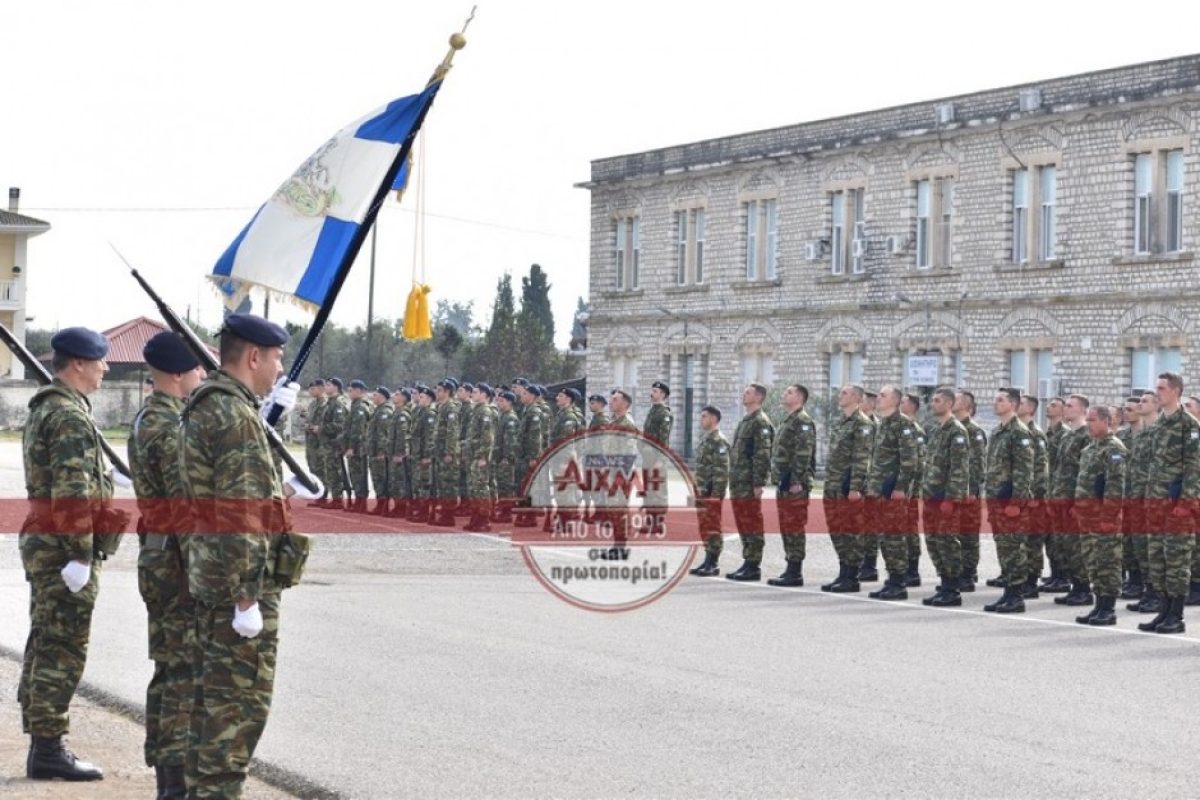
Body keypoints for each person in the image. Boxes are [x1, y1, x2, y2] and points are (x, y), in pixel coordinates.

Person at [178, 313, 309, 798]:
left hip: (215, 576)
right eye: (276, 359)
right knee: (234, 716)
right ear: (254, 356)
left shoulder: (211, 405)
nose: (279, 369)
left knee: (212, 708)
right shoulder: (233, 415)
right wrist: (247, 597)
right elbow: (241, 516)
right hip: (237, 588)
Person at [19, 326, 126, 782]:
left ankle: (43, 740)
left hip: (47, 546)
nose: (106, 367)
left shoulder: (55, 407)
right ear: (78, 364)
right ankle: (47, 749)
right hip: (64, 552)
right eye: (100, 360)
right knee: (61, 649)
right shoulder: (67, 416)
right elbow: (71, 493)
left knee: (47, 641)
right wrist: (81, 555)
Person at [128, 331, 207, 798]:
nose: (202, 376)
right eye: (198, 369)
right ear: (178, 374)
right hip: (175, 561)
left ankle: (169, 777)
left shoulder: (153, 417)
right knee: (182, 672)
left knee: (170, 668)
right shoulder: (169, 425)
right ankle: (174, 783)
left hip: (159, 554)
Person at [1137, 371, 1200, 634]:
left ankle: (1176, 615)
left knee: (1176, 561)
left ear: (1175, 391)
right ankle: (1163, 611)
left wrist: (1183, 504)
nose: (1157, 392)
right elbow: (1151, 465)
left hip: (1177, 507)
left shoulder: (1189, 425)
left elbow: (1194, 469)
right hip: (1156, 505)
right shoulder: (1159, 425)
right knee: (1157, 560)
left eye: (1162, 388)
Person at [1073, 406, 1128, 626]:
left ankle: (1108, 608)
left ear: (1106, 421)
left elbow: (1115, 488)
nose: (1088, 424)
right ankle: (1098, 605)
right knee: (1092, 562)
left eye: (1092, 420)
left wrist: (1108, 517)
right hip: (1087, 517)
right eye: (1087, 420)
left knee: (1107, 562)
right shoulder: (1089, 449)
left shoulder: (1114, 448)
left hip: (1104, 518)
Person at [981, 388, 1034, 614]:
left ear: (1012, 404)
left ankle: (1016, 596)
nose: (996, 403)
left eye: (1000, 400)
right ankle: (1008, 594)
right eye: (995, 399)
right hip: (996, 500)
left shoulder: (1019, 432)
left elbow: (1024, 471)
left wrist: (1016, 502)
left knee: (1014, 549)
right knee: (1004, 548)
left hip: (1010, 501)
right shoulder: (997, 432)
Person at [865, 385, 919, 600]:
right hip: (879, 491)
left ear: (895, 401)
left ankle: (899, 583)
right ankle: (891, 580)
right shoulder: (883, 424)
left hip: (893, 492)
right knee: (885, 538)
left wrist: (900, 488)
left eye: (883, 395)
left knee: (895, 538)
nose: (878, 398)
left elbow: (909, 461)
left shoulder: (902, 424)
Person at [920, 386, 970, 607]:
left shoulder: (956, 431)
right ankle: (945, 584)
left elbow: (959, 469)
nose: (933, 404)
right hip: (932, 496)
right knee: (934, 543)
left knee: (947, 542)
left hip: (945, 498)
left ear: (950, 404)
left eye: (938, 400)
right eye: (933, 400)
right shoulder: (937, 430)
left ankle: (952, 590)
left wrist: (951, 499)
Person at [821, 384, 873, 592]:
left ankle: (851, 577)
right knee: (837, 530)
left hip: (846, 487)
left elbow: (862, 458)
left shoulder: (862, 423)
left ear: (857, 398)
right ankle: (843, 572)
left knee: (851, 531)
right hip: (833, 486)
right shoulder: (841, 422)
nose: (839, 396)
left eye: (844, 393)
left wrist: (855, 487)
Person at [767, 384, 816, 587]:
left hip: (794, 484)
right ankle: (790, 568)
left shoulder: (803, 421)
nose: (784, 394)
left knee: (794, 526)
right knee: (787, 526)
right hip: (784, 482)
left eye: (789, 392)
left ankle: (795, 571)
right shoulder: (789, 420)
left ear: (799, 398)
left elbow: (803, 454)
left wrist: (797, 480)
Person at [726, 383, 774, 582]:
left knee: (752, 520)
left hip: (748, 481)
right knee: (742, 520)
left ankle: (753, 564)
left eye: (748, 392)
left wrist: (758, 483)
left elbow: (762, 455)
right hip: (738, 480)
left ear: (758, 397)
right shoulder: (746, 420)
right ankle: (747, 561)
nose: (744, 394)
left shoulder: (760, 422)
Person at [1050, 395, 1092, 606]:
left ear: (1083, 410)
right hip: (1060, 499)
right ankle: (1075, 585)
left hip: (1075, 501)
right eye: (1065, 405)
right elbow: (1059, 469)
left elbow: (1087, 471)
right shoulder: (1067, 436)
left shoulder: (1087, 435)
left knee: (1077, 547)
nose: (1065, 409)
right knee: (1064, 545)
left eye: (1070, 406)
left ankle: (1084, 589)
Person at [689, 405, 730, 577]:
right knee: (704, 525)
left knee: (713, 525)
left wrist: (716, 494)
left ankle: (713, 562)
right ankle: (707, 558)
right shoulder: (706, 439)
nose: (701, 419)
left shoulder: (719, 440)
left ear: (714, 418)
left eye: (704, 416)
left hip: (711, 492)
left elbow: (721, 470)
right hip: (702, 491)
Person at [953, 391, 987, 591]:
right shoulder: (952, 429)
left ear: (967, 406)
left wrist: (972, 489)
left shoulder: (973, 431)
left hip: (968, 492)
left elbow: (977, 463)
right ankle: (959, 571)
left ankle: (968, 573)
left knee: (968, 534)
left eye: (957, 399)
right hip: (954, 490)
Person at [464, 383, 498, 531]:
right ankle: (475, 517)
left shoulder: (485, 411)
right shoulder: (476, 410)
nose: (473, 394)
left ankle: (484, 519)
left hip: (480, 456)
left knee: (481, 487)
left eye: (476, 392)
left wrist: (483, 456)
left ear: (484, 394)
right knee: (473, 488)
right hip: (473, 455)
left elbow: (487, 437)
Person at [319, 378, 350, 509]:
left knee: (334, 471)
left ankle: (338, 499)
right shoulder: (329, 403)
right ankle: (335, 497)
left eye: (329, 385)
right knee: (330, 471)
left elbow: (339, 425)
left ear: (336, 387)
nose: (326, 387)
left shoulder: (338, 404)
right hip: (327, 443)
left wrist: (322, 429)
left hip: (334, 443)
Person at [344, 379, 372, 513]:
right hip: (355, 447)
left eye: (351, 390)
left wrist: (352, 447)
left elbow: (358, 430)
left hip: (358, 448)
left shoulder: (360, 407)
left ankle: (361, 502)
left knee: (359, 474)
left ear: (359, 391)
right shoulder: (355, 406)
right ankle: (358, 500)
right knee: (354, 474)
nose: (349, 392)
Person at [366, 386, 394, 515]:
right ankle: (380, 504)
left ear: (382, 396)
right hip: (373, 451)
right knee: (377, 479)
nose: (373, 397)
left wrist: (382, 451)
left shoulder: (384, 412)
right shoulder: (378, 411)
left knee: (382, 478)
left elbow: (384, 434)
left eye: (376, 394)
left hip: (380, 453)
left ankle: (384, 505)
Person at [302, 379, 327, 504]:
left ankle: (324, 495)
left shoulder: (324, 404)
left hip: (320, 443)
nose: (311, 391)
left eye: (313, 388)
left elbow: (323, 423)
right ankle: (318, 495)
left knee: (321, 469)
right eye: (310, 389)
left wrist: (311, 427)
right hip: (311, 442)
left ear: (322, 389)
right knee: (313, 468)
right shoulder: (313, 404)